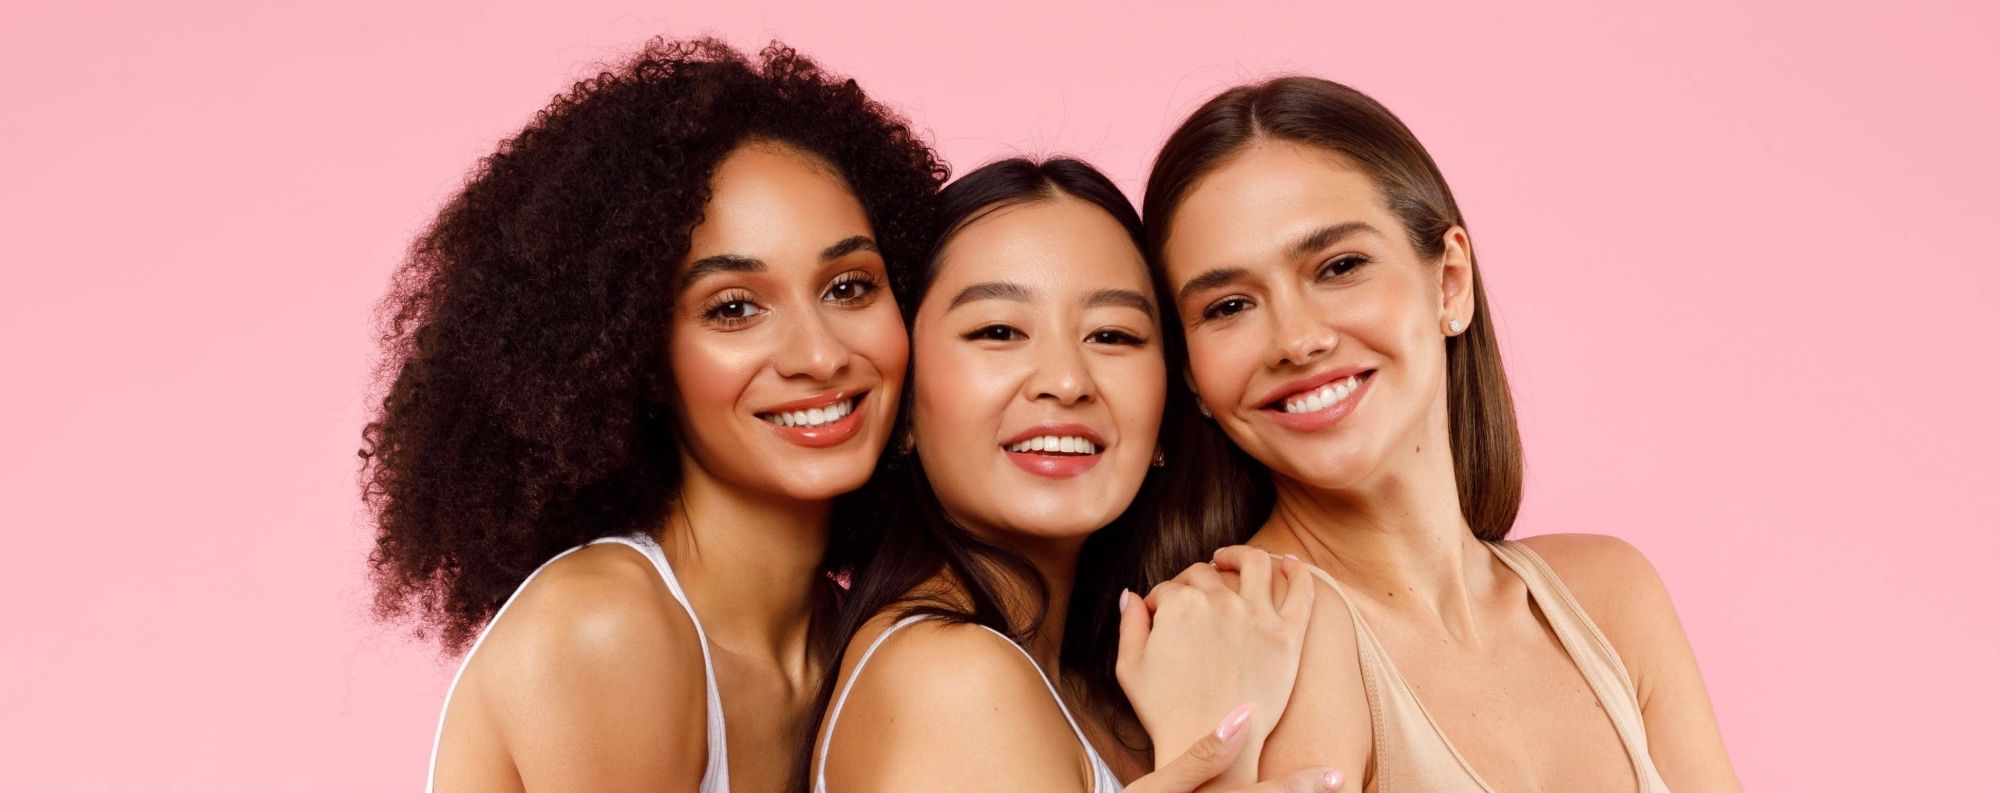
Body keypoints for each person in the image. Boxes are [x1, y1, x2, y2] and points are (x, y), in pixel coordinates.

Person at [359, 38, 946, 792]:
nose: (820, 353)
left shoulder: (858, 649)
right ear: (638, 356)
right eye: (734, 307)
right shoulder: (606, 628)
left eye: (850, 286)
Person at [1140, 76, 1741, 792]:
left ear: (1450, 280)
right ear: (1192, 376)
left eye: (1339, 267)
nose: (1296, 340)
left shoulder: (1610, 597)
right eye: (1230, 305)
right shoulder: (1263, 630)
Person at [809, 157, 1342, 793]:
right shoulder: (952, 680)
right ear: (904, 409)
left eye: (1113, 335)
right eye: (998, 330)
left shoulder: (1098, 689)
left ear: (1167, 412)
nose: (1066, 381)